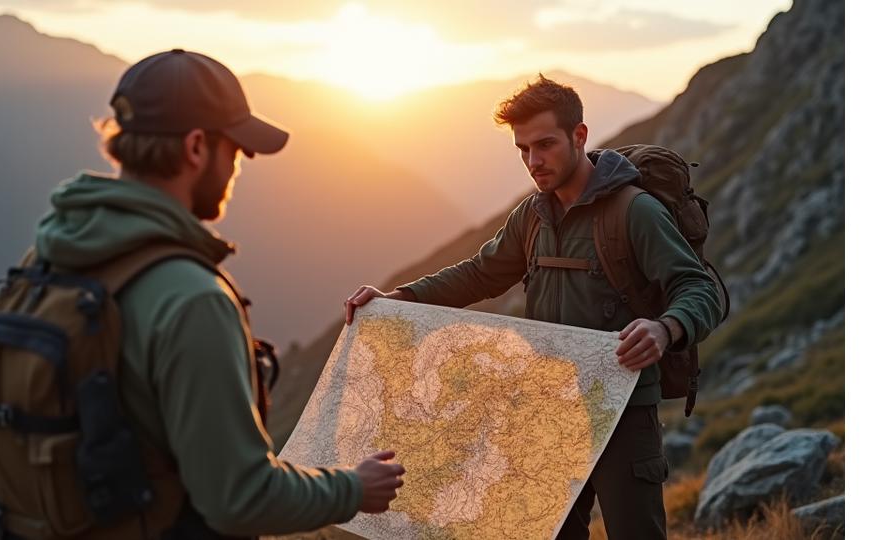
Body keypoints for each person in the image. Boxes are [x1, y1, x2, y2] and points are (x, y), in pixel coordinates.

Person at [35, 50, 405, 538]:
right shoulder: (191, 299)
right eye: (236, 149)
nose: (238, 166)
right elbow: (240, 499)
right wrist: (354, 488)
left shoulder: (50, 260)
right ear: (195, 147)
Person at [344, 75, 722, 540]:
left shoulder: (634, 212)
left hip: (622, 410)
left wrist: (666, 329)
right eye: (522, 149)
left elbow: (701, 290)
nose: (533, 161)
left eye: (544, 145)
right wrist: (401, 298)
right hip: (547, 411)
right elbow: (481, 273)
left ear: (579, 136)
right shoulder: (533, 215)